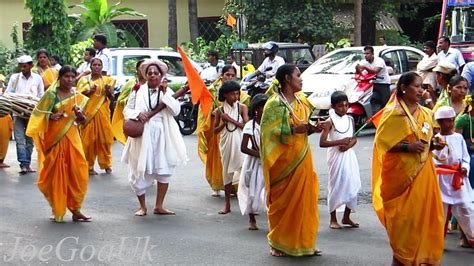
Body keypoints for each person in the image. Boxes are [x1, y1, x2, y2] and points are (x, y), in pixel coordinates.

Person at [372, 72, 445, 265]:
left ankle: (420, 259)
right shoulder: (393, 114)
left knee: (425, 223)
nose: (421, 90)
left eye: (422, 87)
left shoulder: (426, 113)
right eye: (417, 86)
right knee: (404, 226)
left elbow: (431, 137)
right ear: (404, 88)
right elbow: (382, 144)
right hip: (400, 180)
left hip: (424, 175)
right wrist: (407, 147)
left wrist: (435, 144)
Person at [260, 64, 322, 257]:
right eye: (298, 75)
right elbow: (268, 134)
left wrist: (314, 128)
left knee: (305, 201)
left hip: (302, 157)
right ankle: (278, 242)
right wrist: (295, 130)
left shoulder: (302, 101)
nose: (301, 79)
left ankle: (305, 242)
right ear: (287, 78)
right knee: (283, 203)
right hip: (283, 163)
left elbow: (305, 126)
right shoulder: (274, 104)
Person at [121, 59, 188, 216]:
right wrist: (139, 114)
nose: (152, 75)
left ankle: (159, 206)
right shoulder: (137, 90)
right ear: (145, 75)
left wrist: (165, 94)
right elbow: (126, 111)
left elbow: (175, 111)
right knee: (138, 171)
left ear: (161, 75)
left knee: (164, 171)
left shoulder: (167, 91)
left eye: (155, 73)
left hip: (162, 135)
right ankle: (142, 207)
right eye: (149, 73)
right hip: (142, 134)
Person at [26, 65, 91, 222]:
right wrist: (50, 117)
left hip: (72, 139)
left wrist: (80, 115)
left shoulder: (78, 96)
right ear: (59, 78)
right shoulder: (51, 95)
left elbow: (84, 121)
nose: (69, 80)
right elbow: (37, 116)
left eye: (72, 77)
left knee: (78, 173)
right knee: (56, 175)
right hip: (54, 140)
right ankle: (58, 208)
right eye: (66, 77)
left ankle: (76, 209)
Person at [433, 106, 474, 248]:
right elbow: (434, 160)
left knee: (466, 208)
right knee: (440, 213)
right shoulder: (436, 139)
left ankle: (472, 237)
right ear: (439, 122)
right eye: (445, 121)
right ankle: (437, 242)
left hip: (458, 179)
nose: (449, 124)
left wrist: (465, 167)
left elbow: (465, 157)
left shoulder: (458, 137)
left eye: (451, 120)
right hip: (442, 180)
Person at [319, 91, 361, 230]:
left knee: (352, 183)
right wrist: (339, 142)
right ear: (333, 106)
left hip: (349, 155)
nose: (344, 108)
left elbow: (354, 138)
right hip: (335, 157)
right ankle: (333, 218)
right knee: (336, 185)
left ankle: (347, 216)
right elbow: (322, 142)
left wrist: (348, 145)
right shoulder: (329, 122)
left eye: (346, 105)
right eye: (340, 106)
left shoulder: (350, 119)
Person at [197, 65, 238, 197]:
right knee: (218, 157)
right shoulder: (212, 91)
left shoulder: (240, 92)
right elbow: (205, 111)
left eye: (232, 75)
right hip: (217, 128)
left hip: (234, 130)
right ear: (222, 75)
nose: (229, 77)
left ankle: (234, 186)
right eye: (227, 75)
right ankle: (217, 185)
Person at [214, 80, 249, 214]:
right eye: (233, 94)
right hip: (226, 143)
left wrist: (230, 120)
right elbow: (215, 131)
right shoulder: (219, 110)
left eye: (237, 94)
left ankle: (249, 204)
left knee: (245, 173)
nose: (236, 97)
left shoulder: (242, 108)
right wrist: (223, 123)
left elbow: (246, 126)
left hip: (241, 142)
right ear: (225, 95)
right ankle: (227, 204)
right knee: (227, 174)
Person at [6, 55, 44, 173]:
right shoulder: (14, 78)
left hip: (32, 113)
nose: (22, 68)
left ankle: (26, 163)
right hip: (17, 113)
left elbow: (41, 95)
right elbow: (8, 93)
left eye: (25, 66)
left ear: (31, 66)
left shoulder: (37, 78)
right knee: (19, 139)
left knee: (29, 140)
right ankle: (23, 163)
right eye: (21, 66)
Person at [77, 57, 115, 175]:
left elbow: (112, 98)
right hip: (88, 115)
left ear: (102, 67)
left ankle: (107, 164)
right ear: (91, 66)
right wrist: (89, 91)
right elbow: (79, 96)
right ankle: (88, 167)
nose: (97, 67)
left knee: (104, 140)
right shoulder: (84, 80)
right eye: (95, 65)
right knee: (88, 142)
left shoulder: (108, 80)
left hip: (103, 114)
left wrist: (108, 91)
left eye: (99, 65)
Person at [237, 93, 268, 230]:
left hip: (270, 161)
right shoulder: (251, 125)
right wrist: (259, 154)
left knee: (269, 191)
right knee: (252, 190)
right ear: (257, 109)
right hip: (255, 162)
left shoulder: (271, 123)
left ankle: (272, 219)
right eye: (263, 108)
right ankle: (251, 218)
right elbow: (243, 147)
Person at [111, 59, 146, 144]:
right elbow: (120, 100)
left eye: (146, 68)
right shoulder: (131, 83)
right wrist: (132, 98)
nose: (143, 70)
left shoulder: (151, 83)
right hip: (133, 118)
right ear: (136, 70)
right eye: (141, 68)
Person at [355, 46, 391, 114]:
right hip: (372, 83)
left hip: (383, 83)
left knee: (385, 102)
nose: (366, 55)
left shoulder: (379, 61)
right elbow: (358, 73)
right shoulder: (364, 62)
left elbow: (375, 71)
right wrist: (357, 68)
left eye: (368, 53)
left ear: (372, 54)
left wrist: (365, 67)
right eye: (364, 54)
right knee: (368, 99)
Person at [417, 40, 439, 108]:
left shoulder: (435, 58)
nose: (425, 50)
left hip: (430, 81)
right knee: (423, 99)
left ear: (432, 49)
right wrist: (425, 69)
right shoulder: (425, 57)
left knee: (430, 99)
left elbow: (423, 67)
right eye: (424, 48)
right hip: (423, 79)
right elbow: (419, 66)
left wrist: (424, 68)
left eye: (427, 48)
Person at [0, 74, 13, 168]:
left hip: (4, 118)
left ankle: (1, 160)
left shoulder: (5, 93)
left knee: (4, 140)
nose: (1, 84)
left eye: (1, 82)